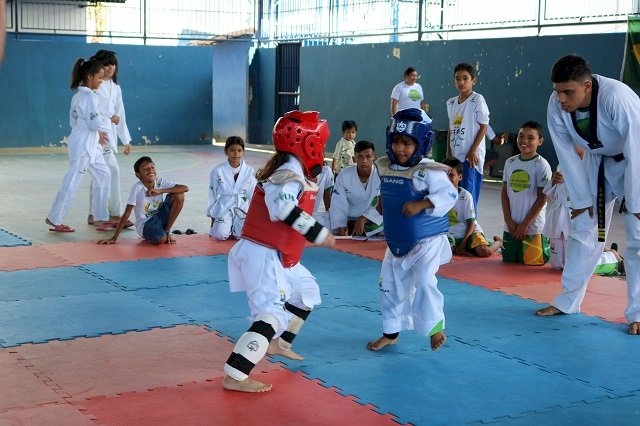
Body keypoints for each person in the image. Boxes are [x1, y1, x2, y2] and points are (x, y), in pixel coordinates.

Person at [223, 111, 335, 393]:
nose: (320, 149)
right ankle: (236, 374)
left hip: (279, 254)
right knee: (271, 314)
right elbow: (283, 209)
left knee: (306, 291)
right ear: (307, 144)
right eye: (318, 143)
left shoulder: (293, 168)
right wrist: (319, 233)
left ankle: (280, 343)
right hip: (262, 254)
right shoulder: (287, 175)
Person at [536, 54, 640, 335]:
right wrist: (581, 201)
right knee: (582, 227)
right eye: (557, 91)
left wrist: (637, 201)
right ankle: (568, 301)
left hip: (635, 162)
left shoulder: (617, 97)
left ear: (587, 85)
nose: (561, 99)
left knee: (637, 237)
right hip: (598, 163)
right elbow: (566, 153)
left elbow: (636, 145)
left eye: (568, 92)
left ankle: (638, 313)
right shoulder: (556, 104)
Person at [367, 108, 457, 352]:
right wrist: (381, 203)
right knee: (388, 286)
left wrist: (423, 203)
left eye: (407, 143)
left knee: (426, 281)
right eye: (396, 142)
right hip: (396, 242)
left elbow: (450, 194)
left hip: (426, 243)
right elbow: (384, 193)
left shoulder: (429, 170)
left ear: (422, 143)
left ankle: (435, 327)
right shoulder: (385, 167)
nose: (400, 148)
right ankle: (390, 333)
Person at [45, 58, 112, 233]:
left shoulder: (78, 96)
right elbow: (93, 122)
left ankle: (101, 217)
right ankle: (55, 218)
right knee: (72, 181)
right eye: (99, 78)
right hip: (83, 145)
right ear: (90, 77)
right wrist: (104, 126)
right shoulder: (88, 96)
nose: (101, 82)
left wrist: (97, 133)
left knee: (104, 175)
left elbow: (74, 122)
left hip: (89, 142)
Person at [97, 156, 188, 245]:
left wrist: (160, 191)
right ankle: (159, 235)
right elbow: (127, 213)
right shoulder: (137, 188)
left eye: (152, 167)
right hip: (146, 224)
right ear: (138, 175)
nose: (150, 171)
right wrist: (114, 238)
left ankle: (167, 231)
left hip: (160, 217)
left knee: (179, 195)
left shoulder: (160, 182)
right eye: (145, 169)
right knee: (162, 239)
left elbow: (185, 188)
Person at [88, 50, 133, 227]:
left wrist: (126, 139)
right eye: (106, 64)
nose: (110, 68)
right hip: (95, 135)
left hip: (108, 135)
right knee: (112, 170)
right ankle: (115, 214)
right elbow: (92, 113)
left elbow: (120, 114)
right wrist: (102, 125)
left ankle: (93, 213)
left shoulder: (115, 88)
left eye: (113, 64)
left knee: (100, 174)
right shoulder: (93, 86)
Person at [500, 121, 552, 265]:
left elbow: (543, 198)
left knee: (532, 263)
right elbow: (504, 193)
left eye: (530, 138)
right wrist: (508, 220)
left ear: (540, 141)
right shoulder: (510, 162)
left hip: (532, 227)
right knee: (509, 261)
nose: (524, 141)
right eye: (521, 136)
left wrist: (525, 224)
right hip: (511, 226)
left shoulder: (541, 165)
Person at [446, 63, 490, 211]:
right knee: (454, 196)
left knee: (468, 198)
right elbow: (450, 128)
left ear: (473, 81)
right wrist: (448, 151)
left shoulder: (477, 100)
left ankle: (472, 230)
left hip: (471, 158)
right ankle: (456, 231)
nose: (461, 82)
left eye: (465, 78)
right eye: (458, 79)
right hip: (455, 156)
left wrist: (473, 150)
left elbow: (484, 126)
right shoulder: (451, 102)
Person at [443, 158, 502, 257]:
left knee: (484, 252)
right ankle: (466, 247)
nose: (447, 179)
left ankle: (499, 242)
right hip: (450, 235)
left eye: (451, 175)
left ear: (460, 177)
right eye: (444, 175)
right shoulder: (437, 195)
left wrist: (463, 243)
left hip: (470, 232)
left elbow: (471, 223)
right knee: (444, 251)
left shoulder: (465, 196)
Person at [330, 140, 383, 237]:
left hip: (370, 219)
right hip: (348, 218)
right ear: (354, 159)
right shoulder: (343, 176)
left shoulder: (381, 175)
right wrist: (340, 225)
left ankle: (362, 230)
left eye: (368, 156)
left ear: (374, 158)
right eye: (360, 157)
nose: (364, 161)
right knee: (319, 220)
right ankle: (349, 229)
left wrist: (364, 218)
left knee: (389, 223)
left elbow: (381, 205)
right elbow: (338, 202)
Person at [207, 136, 257, 240]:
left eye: (239, 150)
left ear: (243, 152)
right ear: (226, 151)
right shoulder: (217, 171)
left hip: (242, 205)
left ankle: (234, 227)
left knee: (241, 235)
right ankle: (224, 226)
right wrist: (213, 218)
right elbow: (212, 194)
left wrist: (253, 215)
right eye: (232, 150)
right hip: (224, 205)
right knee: (219, 235)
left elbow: (252, 194)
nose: (236, 154)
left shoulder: (249, 171)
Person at [542, 165, 573, 270]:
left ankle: (612, 256)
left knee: (576, 264)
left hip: (576, 213)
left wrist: (569, 179)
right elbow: (551, 194)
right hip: (558, 213)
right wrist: (554, 181)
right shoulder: (562, 163)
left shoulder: (590, 161)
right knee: (557, 265)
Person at [309, 162, 334, 229]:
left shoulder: (326, 170)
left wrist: (332, 218)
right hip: (295, 214)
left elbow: (327, 194)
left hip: (313, 216)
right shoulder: (296, 170)